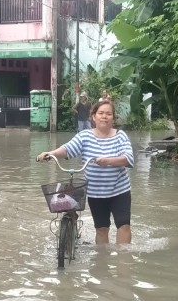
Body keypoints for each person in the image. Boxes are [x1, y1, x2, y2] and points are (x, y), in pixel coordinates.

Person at [36, 100, 134, 245]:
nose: (104, 116)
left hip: (119, 191)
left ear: (113, 118)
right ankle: (102, 262)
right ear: (93, 117)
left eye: (108, 114)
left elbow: (128, 158)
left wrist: (108, 161)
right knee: (101, 229)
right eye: (101, 113)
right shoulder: (85, 136)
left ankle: (124, 261)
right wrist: (51, 153)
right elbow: (68, 149)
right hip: (96, 193)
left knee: (124, 226)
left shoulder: (120, 136)